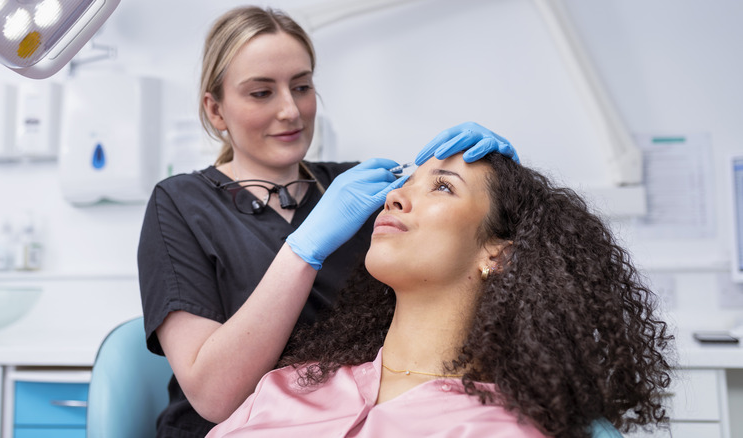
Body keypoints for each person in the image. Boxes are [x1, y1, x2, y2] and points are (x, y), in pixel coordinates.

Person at [136, 5, 515, 436]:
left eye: (301, 87)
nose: (291, 111)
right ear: (216, 110)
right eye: (261, 93)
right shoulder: (181, 204)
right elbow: (214, 397)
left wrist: (500, 186)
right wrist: (305, 246)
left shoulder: (360, 190)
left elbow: (469, 259)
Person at [205, 152, 674, 438]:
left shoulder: (507, 427)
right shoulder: (288, 385)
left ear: (500, 255)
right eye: (403, 184)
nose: (394, 199)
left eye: (443, 187)